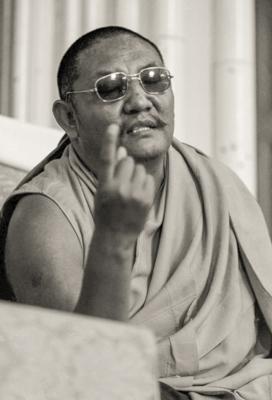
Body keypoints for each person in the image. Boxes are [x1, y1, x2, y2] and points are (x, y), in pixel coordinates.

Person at [0, 26, 272, 399]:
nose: (140, 100)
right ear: (69, 118)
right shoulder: (44, 218)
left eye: (154, 79)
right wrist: (113, 236)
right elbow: (85, 378)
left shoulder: (212, 180)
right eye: (111, 88)